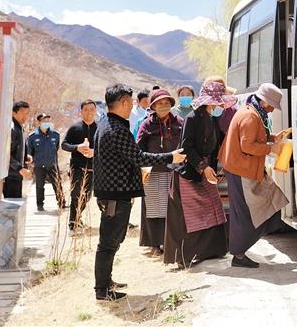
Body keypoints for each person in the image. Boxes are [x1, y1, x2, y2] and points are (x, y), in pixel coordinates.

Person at [93, 84, 186, 301]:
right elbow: (139, 157)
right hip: (115, 195)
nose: (132, 106)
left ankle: (106, 282)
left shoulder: (106, 123)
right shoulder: (117, 129)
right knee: (108, 244)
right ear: (124, 102)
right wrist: (170, 156)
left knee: (111, 241)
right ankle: (102, 290)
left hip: (113, 192)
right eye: (130, 102)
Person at [164, 81, 234, 268]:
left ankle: (211, 250)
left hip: (205, 170)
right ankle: (185, 256)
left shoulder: (212, 119)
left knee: (213, 208)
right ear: (210, 102)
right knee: (189, 215)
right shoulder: (192, 118)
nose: (221, 106)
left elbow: (218, 143)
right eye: (219, 102)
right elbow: (186, 147)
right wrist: (203, 167)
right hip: (189, 172)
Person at [224, 83, 289, 269]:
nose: (271, 110)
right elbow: (247, 146)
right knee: (245, 215)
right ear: (265, 102)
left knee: (260, 205)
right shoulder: (250, 116)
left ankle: (239, 252)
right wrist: (271, 148)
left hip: (242, 168)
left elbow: (254, 138)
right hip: (241, 170)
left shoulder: (252, 112)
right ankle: (238, 255)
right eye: (271, 106)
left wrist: (272, 138)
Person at [136, 89, 183, 256]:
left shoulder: (179, 122)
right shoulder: (146, 125)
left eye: (166, 103)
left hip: (174, 170)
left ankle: (170, 241)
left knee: (171, 207)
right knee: (153, 208)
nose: (163, 106)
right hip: (151, 171)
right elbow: (139, 149)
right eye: (159, 103)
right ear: (153, 106)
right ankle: (154, 243)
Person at [61, 100, 98, 231]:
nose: (89, 112)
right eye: (86, 109)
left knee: (86, 196)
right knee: (76, 195)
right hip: (77, 168)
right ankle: (73, 223)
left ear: (95, 111)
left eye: (91, 109)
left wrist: (94, 152)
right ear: (81, 111)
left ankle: (78, 216)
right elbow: (64, 145)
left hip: (93, 169)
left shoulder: (100, 129)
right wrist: (77, 148)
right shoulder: (74, 128)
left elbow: (105, 147)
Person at [27, 113, 65, 212]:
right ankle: (40, 205)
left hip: (52, 164)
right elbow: (30, 152)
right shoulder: (32, 137)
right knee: (39, 186)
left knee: (57, 184)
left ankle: (62, 203)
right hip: (39, 166)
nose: (46, 123)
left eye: (48, 121)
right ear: (39, 122)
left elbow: (56, 148)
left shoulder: (55, 135)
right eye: (44, 121)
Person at [4, 101, 30, 198]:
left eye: (27, 113)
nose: (25, 116)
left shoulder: (19, 127)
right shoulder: (12, 128)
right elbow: (6, 154)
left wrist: (25, 156)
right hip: (10, 175)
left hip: (16, 174)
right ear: (13, 113)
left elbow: (16, 149)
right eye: (22, 113)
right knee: (12, 203)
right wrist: (19, 168)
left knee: (15, 201)